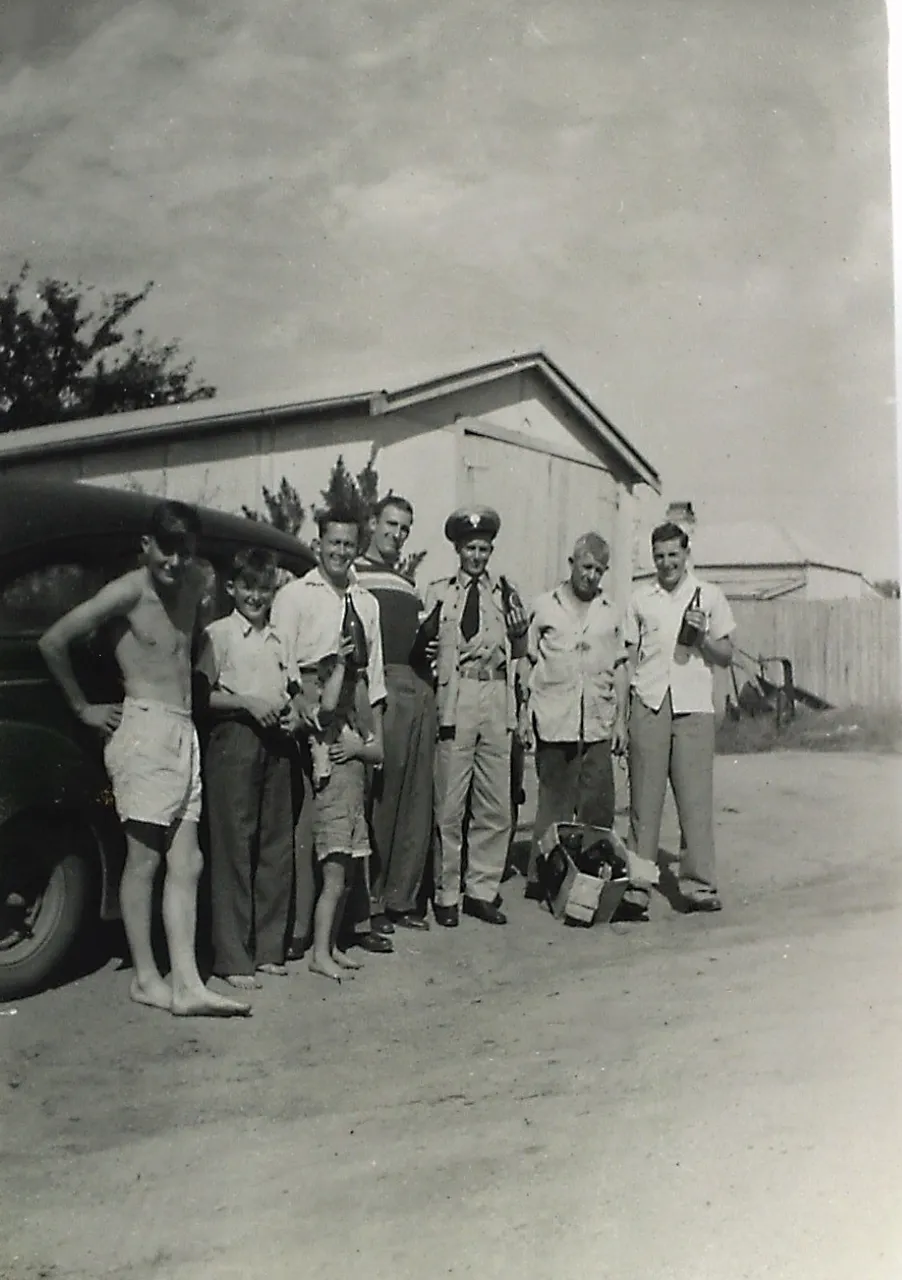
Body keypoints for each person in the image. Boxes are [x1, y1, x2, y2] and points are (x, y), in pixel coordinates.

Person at [38, 500, 251, 1017]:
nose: (174, 562)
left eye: (184, 551)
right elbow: (53, 641)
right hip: (144, 728)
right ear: (147, 547)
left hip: (183, 732)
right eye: (165, 550)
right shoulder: (128, 591)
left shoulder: (194, 588)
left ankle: (187, 984)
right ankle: (146, 977)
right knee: (145, 860)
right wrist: (83, 707)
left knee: (189, 860)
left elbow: (193, 646)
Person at [271, 504, 390, 965]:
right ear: (317, 543)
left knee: (341, 837)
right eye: (332, 542)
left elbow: (373, 674)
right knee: (305, 834)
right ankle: (299, 934)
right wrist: (298, 709)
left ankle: (333, 935)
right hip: (305, 714)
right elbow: (280, 660)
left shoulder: (366, 602)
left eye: (348, 543)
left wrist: (371, 736)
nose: (340, 551)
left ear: (357, 546)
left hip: (349, 717)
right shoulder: (296, 596)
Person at [421, 506, 529, 927]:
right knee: (449, 801)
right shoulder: (438, 592)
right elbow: (425, 647)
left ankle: (481, 890)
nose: (477, 557)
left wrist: (519, 633)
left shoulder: (505, 591)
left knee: (495, 803)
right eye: (470, 549)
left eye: (483, 549)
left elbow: (520, 651)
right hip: (457, 695)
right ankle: (446, 892)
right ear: (457, 550)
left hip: (496, 694)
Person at [619, 520, 735, 912]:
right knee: (644, 803)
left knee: (695, 801)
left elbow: (726, 656)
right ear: (652, 558)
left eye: (673, 555)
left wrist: (702, 637)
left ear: (687, 554)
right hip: (649, 701)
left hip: (693, 707)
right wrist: (624, 714)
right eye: (660, 556)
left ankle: (699, 887)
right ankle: (638, 887)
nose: (667, 563)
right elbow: (630, 658)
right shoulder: (640, 599)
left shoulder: (710, 596)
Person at [197, 547, 299, 991]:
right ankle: (233, 957)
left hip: (277, 741)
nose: (255, 596)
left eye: (264, 588)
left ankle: (269, 949)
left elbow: (292, 689)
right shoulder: (217, 635)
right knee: (234, 845)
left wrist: (294, 712)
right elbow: (201, 698)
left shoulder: (279, 639)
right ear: (231, 588)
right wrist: (245, 703)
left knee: (276, 843)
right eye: (248, 587)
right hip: (234, 738)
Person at [519, 532, 629, 900]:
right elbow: (527, 663)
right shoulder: (544, 607)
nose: (591, 576)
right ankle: (543, 880)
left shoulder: (610, 612)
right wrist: (523, 715)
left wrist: (621, 723)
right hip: (553, 720)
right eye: (586, 567)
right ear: (572, 564)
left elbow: (621, 670)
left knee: (598, 807)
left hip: (597, 722)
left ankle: (591, 880)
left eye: (599, 570)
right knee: (553, 804)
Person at [354, 495, 436, 932]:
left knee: (414, 798)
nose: (396, 534)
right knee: (379, 797)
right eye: (390, 524)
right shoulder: (352, 573)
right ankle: (371, 901)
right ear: (372, 523)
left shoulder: (407, 584)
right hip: (377, 687)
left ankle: (402, 898)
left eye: (404, 527)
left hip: (415, 687)